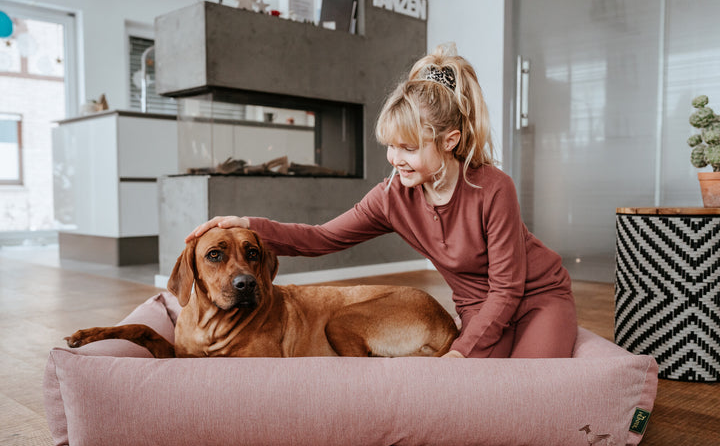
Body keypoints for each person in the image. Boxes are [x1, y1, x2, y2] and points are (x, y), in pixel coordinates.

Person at [186, 44, 578, 359]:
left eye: (407, 148)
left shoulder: (494, 188)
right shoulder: (393, 197)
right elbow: (320, 238)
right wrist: (248, 224)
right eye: (391, 146)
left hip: (535, 296)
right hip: (478, 306)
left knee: (530, 385)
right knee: (476, 395)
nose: (394, 159)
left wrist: (459, 354)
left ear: (449, 141)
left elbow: (508, 290)